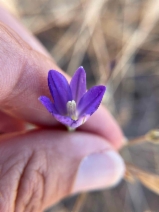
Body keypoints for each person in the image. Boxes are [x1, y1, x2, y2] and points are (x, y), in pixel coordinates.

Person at [0, 5, 125, 212]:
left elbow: (94, 92)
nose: (73, 110)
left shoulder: (85, 103)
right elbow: (50, 93)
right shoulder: (60, 104)